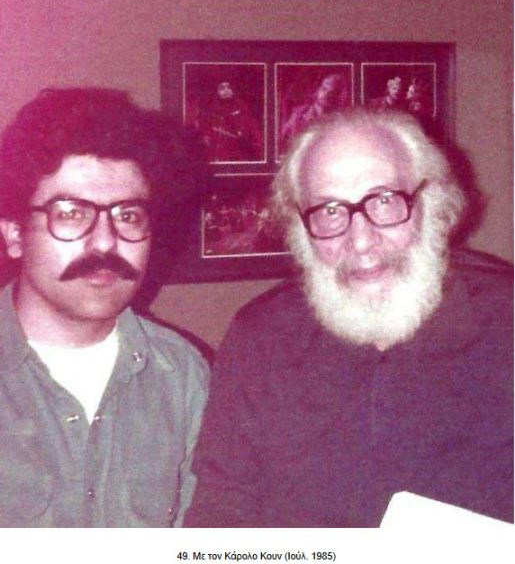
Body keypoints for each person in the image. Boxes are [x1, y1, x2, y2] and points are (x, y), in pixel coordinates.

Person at [184, 109, 513, 527]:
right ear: (300, 227)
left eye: (384, 201)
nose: (360, 241)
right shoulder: (260, 338)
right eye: (330, 211)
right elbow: (221, 514)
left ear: (431, 203)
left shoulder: (506, 321)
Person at [0, 88, 209, 527]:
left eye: (128, 215)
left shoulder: (184, 375)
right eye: (71, 213)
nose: (105, 242)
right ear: (15, 234)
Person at [195, 80, 264, 162]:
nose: (226, 91)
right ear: (217, 91)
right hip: (217, 150)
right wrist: (206, 135)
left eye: (229, 87)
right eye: (222, 88)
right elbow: (204, 127)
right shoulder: (210, 108)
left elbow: (251, 126)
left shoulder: (241, 107)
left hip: (236, 150)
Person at [280, 73, 348, 152]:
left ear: (339, 97)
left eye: (333, 92)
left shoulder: (341, 123)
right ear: (318, 90)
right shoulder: (299, 115)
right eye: (324, 88)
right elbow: (281, 142)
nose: (326, 94)